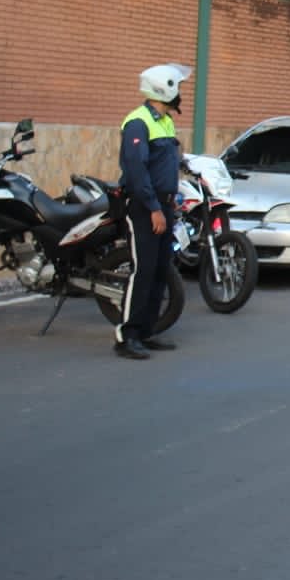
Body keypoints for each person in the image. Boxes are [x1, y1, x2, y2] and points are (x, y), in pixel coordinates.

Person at [115, 63, 190, 361]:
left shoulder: (165, 121)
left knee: (161, 269)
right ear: (164, 87)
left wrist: (170, 200)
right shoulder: (138, 122)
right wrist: (154, 208)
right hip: (146, 206)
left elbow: (165, 164)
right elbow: (136, 170)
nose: (181, 92)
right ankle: (128, 335)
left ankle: (147, 331)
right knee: (143, 270)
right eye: (178, 86)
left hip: (163, 204)